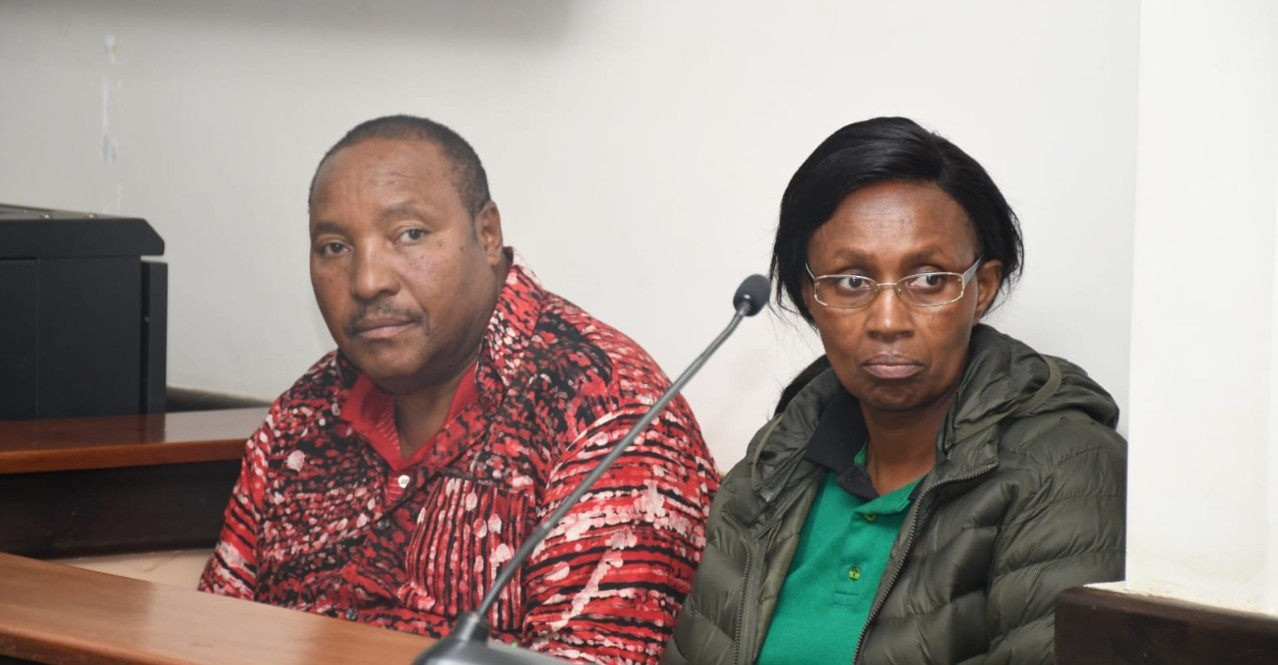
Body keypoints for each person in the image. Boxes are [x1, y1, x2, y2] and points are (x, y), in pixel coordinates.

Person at [199, 114, 719, 665]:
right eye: (334, 247)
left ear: (487, 234)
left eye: (410, 235)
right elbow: (210, 634)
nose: (367, 280)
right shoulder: (304, 415)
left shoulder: (605, 411)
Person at [664, 117, 1126, 665]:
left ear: (982, 289)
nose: (888, 320)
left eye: (929, 279)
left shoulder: (1068, 471)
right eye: (852, 282)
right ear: (810, 297)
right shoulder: (774, 464)